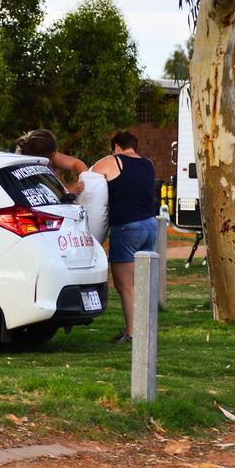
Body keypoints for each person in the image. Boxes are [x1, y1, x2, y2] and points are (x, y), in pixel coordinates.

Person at [91, 130, 158, 343]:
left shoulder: (113, 160)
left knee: (124, 284)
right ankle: (143, 328)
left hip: (127, 228)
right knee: (141, 282)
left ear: (117, 147)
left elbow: (89, 174)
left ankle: (132, 333)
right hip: (150, 225)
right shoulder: (148, 164)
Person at [15, 128, 88, 190]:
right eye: (53, 155)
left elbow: (76, 164)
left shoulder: (38, 152)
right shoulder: (22, 171)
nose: (54, 158)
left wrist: (88, 180)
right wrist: (70, 191)